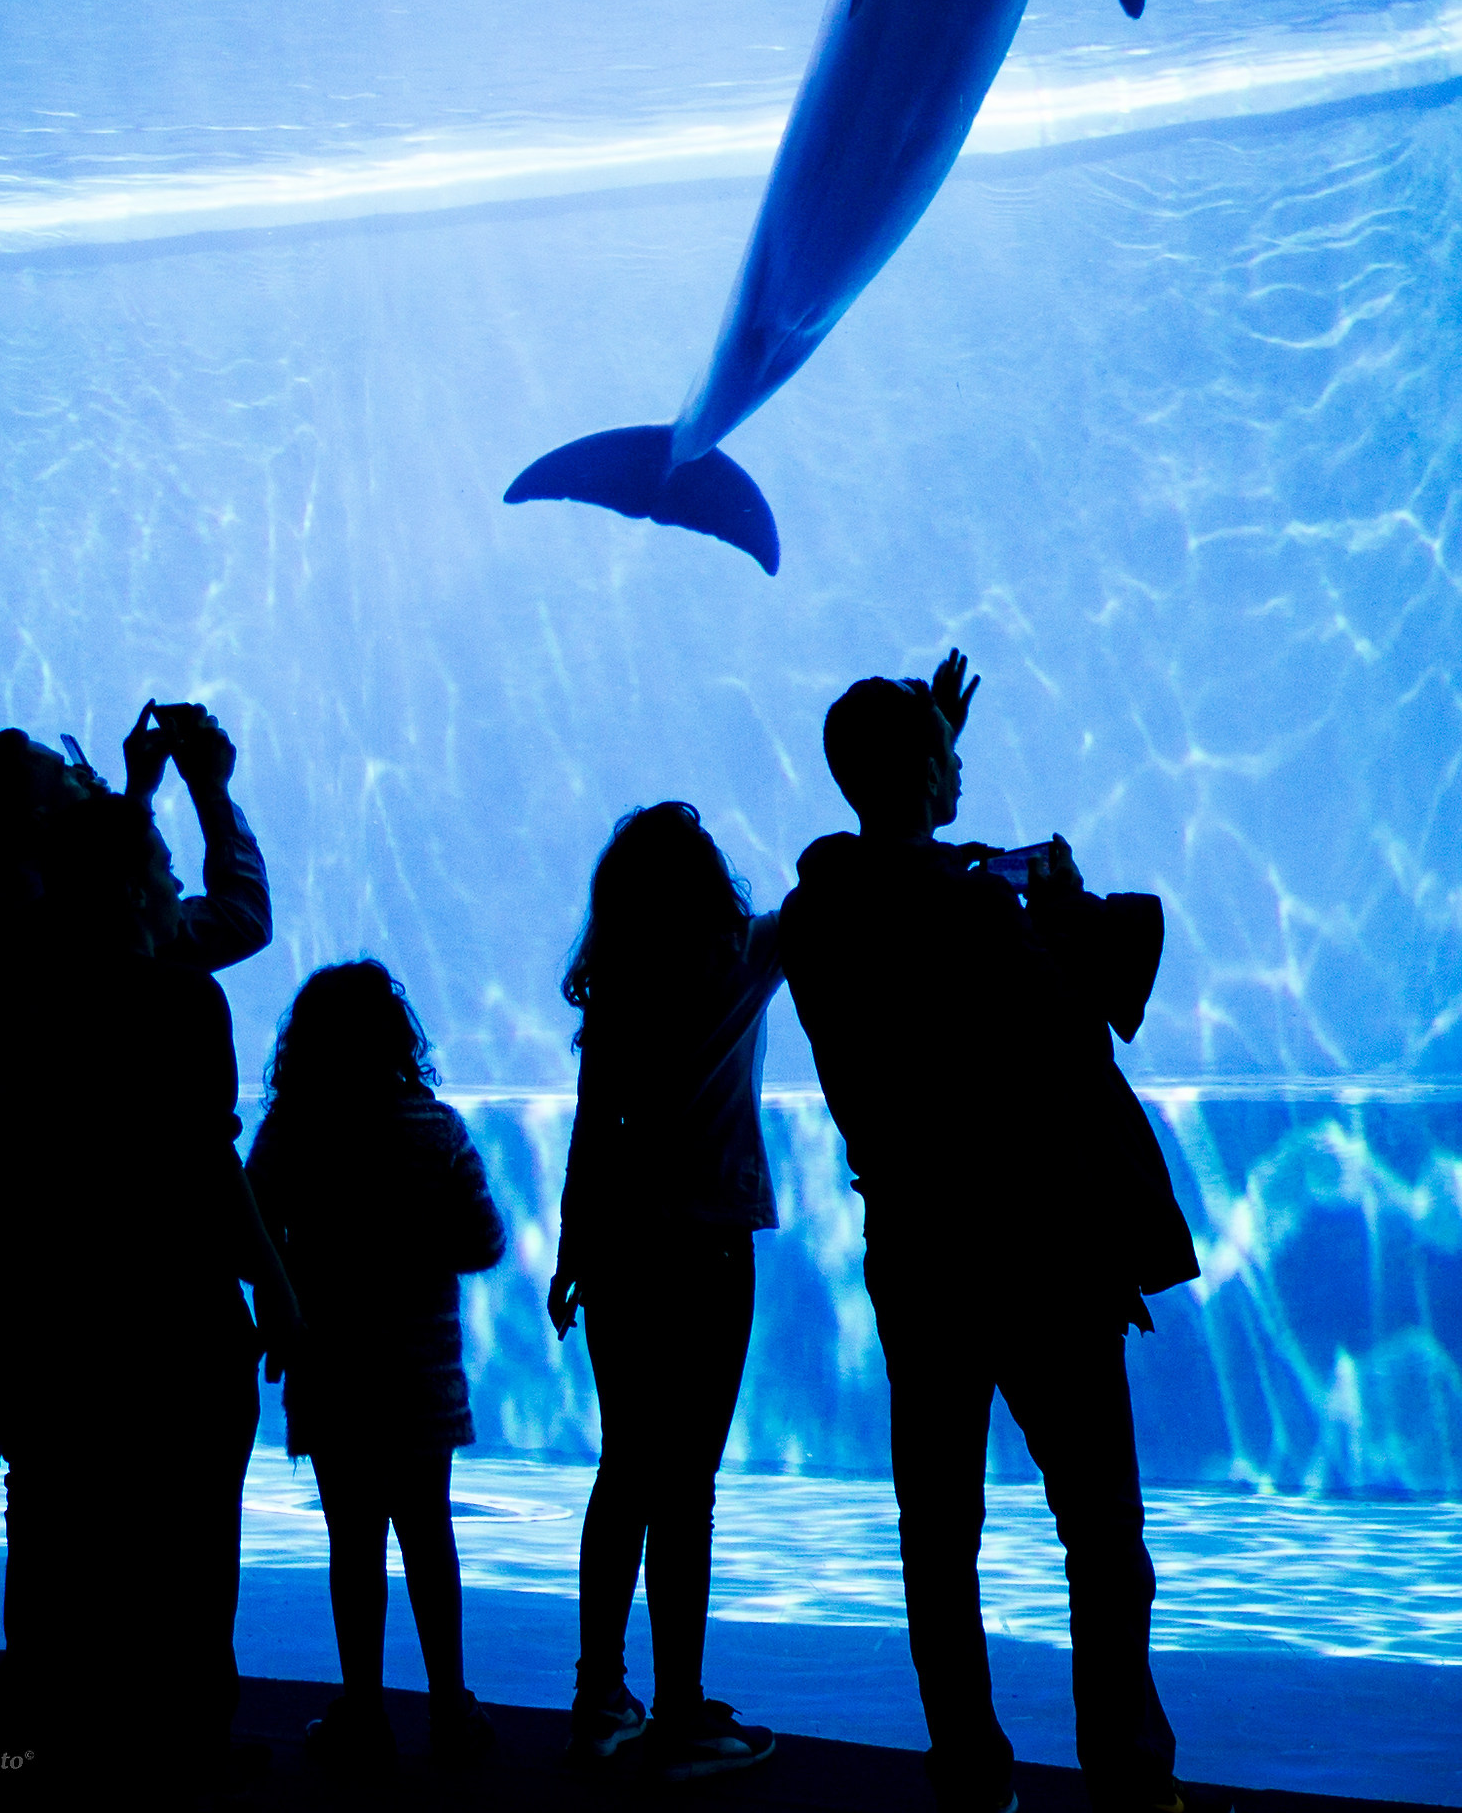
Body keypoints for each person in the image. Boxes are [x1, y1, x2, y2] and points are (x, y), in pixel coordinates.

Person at [778, 653, 1199, 1813]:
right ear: (920, 772)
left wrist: (923, 756)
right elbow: (1074, 1018)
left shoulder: (818, 915)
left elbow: (884, 873)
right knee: (1100, 1527)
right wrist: (1059, 901)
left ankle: (967, 1770)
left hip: (916, 1250)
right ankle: (1127, 1779)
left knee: (939, 1524)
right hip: (1036, 1250)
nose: (962, 772)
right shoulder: (974, 907)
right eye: (948, 759)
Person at [0, 705, 296, 1801]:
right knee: (187, 1546)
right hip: (173, 1304)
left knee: (61, 1530)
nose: (88, 782)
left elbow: (91, 904)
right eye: (65, 783)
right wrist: (203, 787)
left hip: (47, 1288)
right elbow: (231, 921)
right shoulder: (164, 991)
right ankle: (181, 1738)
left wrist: (138, 806)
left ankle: (56, 1740)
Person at [547, 803, 782, 1782]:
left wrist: (571, 1248)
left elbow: (593, 1125)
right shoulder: (742, 955)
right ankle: (681, 1708)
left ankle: (600, 1693)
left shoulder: (615, 985)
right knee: (688, 1486)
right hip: (710, 1251)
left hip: (620, 1253)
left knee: (627, 1470)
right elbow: (834, 900)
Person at [246, 959, 507, 1776]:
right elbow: (485, 1241)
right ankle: (449, 1710)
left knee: (352, 1543)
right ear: (400, 1038)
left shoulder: (290, 1132)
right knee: (429, 1537)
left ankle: (364, 1709)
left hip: (331, 1374)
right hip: (419, 1377)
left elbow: (250, 1229)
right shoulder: (436, 1129)